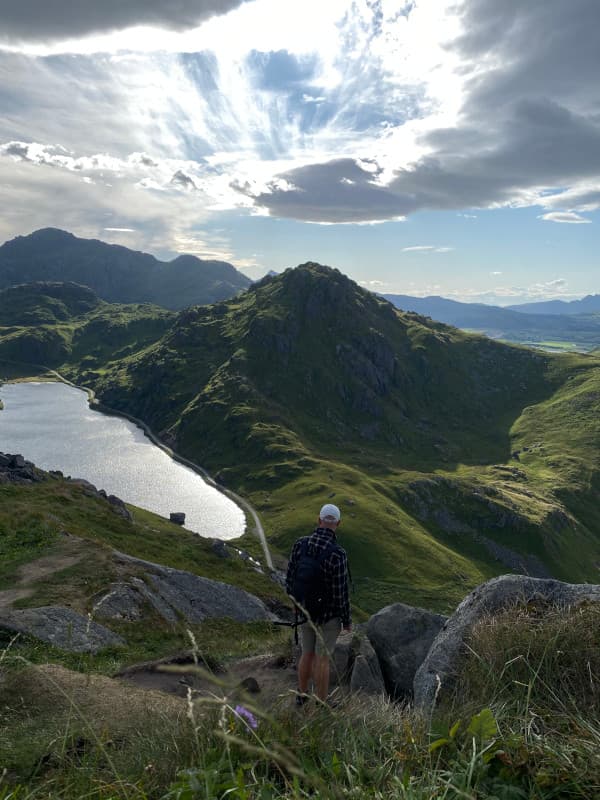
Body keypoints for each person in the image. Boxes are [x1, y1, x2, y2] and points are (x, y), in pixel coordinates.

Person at [285, 503, 351, 705]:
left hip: (305, 612)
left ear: (319, 520)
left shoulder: (300, 544)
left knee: (307, 653)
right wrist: (346, 620)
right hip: (328, 616)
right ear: (338, 524)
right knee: (323, 659)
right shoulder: (338, 554)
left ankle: (302, 696)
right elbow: (341, 592)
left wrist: (296, 604)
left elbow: (290, 578)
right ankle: (322, 702)